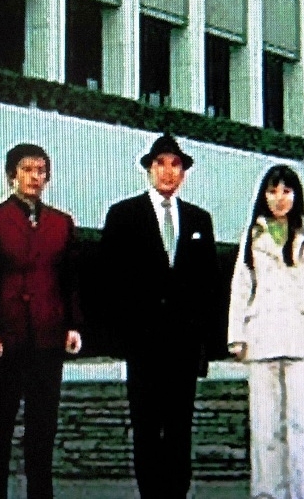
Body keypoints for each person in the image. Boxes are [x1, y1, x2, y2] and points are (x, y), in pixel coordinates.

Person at [96, 134, 223, 499]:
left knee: (180, 428)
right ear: (149, 169)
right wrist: (118, 337)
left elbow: (210, 286)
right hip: (143, 344)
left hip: (184, 345)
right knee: (147, 428)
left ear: (183, 172)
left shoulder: (199, 219)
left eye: (175, 165)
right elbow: (107, 280)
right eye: (161, 164)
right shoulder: (124, 215)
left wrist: (207, 343)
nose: (168, 172)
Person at [0, 143, 83, 499]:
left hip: (48, 336)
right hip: (6, 338)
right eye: (27, 169)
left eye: (41, 171)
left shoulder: (61, 223)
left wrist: (73, 325)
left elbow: (70, 280)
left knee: (43, 429)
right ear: (11, 175)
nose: (35, 177)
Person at [227, 164, 304, 499]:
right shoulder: (252, 234)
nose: (279, 198)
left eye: (286, 191)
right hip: (262, 337)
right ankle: (268, 494)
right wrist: (236, 335)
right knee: (265, 428)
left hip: (301, 337)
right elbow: (241, 285)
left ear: (296, 194)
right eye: (273, 191)